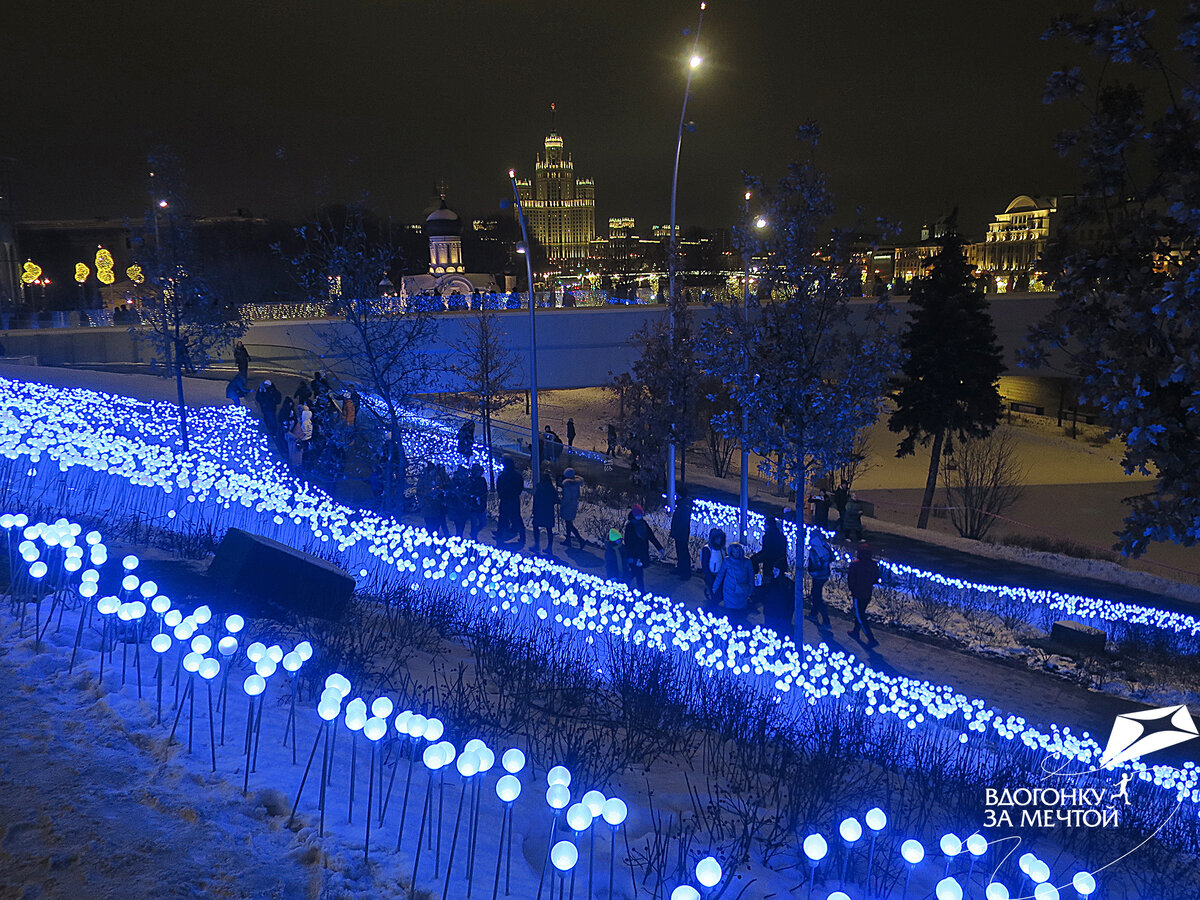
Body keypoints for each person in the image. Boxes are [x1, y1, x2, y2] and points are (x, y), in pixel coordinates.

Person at [623, 504, 663, 593]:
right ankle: (641, 591)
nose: (640, 516)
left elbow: (651, 536)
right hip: (634, 555)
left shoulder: (643, 523)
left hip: (642, 553)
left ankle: (625, 584)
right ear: (634, 515)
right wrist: (631, 557)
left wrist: (659, 547)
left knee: (635, 573)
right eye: (638, 515)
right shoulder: (630, 526)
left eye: (641, 515)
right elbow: (628, 543)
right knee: (638, 574)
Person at [846, 544, 880, 647]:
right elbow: (876, 579)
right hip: (867, 593)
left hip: (858, 594)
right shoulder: (873, 565)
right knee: (860, 612)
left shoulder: (855, 565)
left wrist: (852, 589)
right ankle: (856, 631)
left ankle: (871, 638)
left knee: (860, 616)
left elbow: (851, 580)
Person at [713, 542, 753, 621]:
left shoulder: (747, 562)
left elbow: (751, 576)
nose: (736, 554)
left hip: (742, 591)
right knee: (731, 612)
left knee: (740, 613)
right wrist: (715, 586)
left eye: (737, 552)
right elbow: (720, 574)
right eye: (734, 552)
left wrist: (750, 590)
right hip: (729, 591)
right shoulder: (727, 561)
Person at [805, 528, 833, 626]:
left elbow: (816, 567)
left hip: (818, 576)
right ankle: (813, 614)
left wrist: (811, 572)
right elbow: (832, 558)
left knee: (817, 597)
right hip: (825, 574)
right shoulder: (824, 545)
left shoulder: (814, 550)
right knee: (816, 594)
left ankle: (826, 621)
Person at [495, 456, 525, 545]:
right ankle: (522, 536)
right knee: (516, 517)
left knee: (503, 517)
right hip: (513, 499)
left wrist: (501, 494)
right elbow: (520, 487)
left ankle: (500, 535)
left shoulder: (503, 475)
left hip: (506, 499)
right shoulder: (517, 475)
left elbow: (499, 487)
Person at [760, 561, 795, 638]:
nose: (773, 572)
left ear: (781, 571)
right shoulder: (775, 582)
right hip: (779, 615)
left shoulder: (781, 584)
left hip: (777, 615)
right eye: (773, 569)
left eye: (776, 570)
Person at [531, 470, 559, 556]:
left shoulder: (539, 488)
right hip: (548, 511)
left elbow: (536, 500)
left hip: (540, 511)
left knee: (536, 527)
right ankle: (549, 547)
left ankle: (536, 545)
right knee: (549, 529)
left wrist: (534, 510)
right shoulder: (552, 489)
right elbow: (556, 500)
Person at [417, 463, 448, 536]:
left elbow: (442, 487)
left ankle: (434, 537)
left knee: (435, 524)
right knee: (429, 524)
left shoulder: (438, 479)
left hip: (436, 507)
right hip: (428, 506)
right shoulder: (424, 479)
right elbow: (420, 491)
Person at [559, 468, 586, 549]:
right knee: (569, 524)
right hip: (573, 505)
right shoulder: (575, 484)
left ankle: (579, 540)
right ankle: (569, 540)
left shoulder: (568, 485)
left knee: (569, 524)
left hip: (568, 506)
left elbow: (567, 498)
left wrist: (562, 504)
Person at [669, 489, 694, 578]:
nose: (676, 496)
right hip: (679, 533)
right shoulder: (681, 505)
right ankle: (681, 568)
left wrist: (677, 532)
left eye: (677, 495)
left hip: (681, 534)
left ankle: (685, 572)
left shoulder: (684, 506)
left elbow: (682, 522)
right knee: (680, 552)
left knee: (683, 552)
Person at [701, 528, 727, 609]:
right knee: (714, 592)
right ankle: (711, 608)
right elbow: (705, 563)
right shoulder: (707, 549)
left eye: (720, 538)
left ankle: (714, 605)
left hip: (720, 574)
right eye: (717, 538)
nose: (719, 540)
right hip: (711, 574)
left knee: (720, 592)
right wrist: (708, 575)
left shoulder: (722, 548)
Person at [445, 467, 471, 538]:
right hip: (456, 506)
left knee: (462, 522)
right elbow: (449, 490)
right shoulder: (454, 482)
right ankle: (458, 535)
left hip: (462, 506)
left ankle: (460, 535)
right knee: (458, 522)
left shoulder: (466, 482)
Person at [466, 463, 488, 540]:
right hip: (473, 506)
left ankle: (474, 533)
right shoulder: (470, 480)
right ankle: (474, 538)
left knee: (483, 523)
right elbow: (468, 491)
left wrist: (482, 498)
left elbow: (485, 491)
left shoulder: (482, 480)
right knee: (474, 523)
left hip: (481, 505)